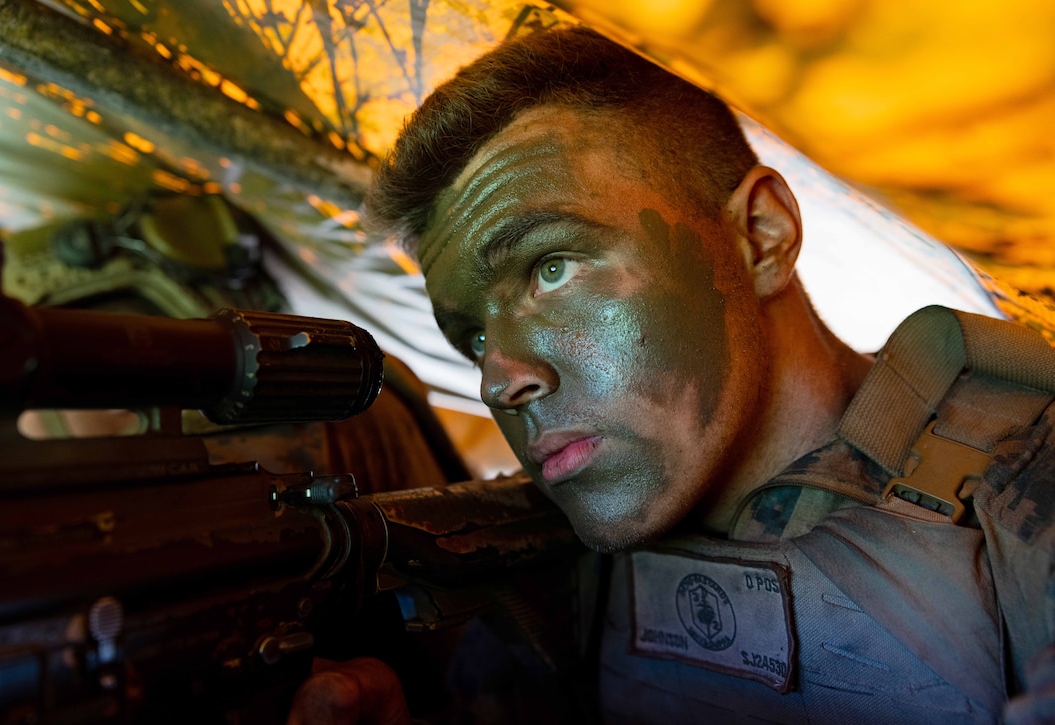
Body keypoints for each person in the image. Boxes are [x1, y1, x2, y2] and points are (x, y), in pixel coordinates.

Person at [290, 25, 1055, 724]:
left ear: (761, 236)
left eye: (551, 269)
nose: (498, 379)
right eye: (472, 336)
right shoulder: (556, 572)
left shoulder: (1027, 485)